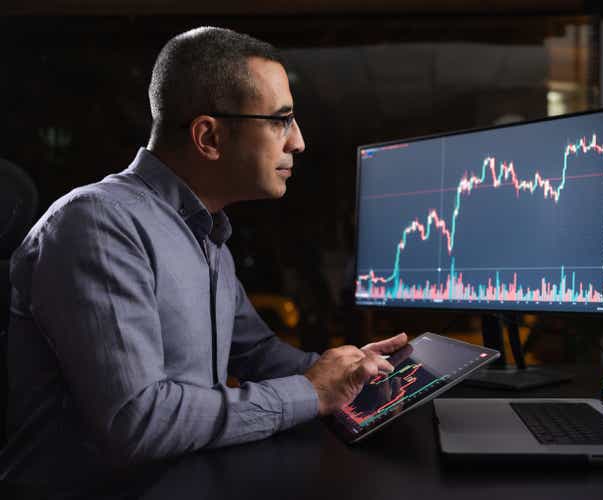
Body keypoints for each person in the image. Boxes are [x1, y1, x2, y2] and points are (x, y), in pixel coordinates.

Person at [0, 26, 407, 490]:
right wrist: (311, 392)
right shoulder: (97, 224)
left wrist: (352, 370)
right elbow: (137, 421)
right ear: (208, 137)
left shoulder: (208, 237)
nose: (298, 142)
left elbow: (257, 353)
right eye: (280, 120)